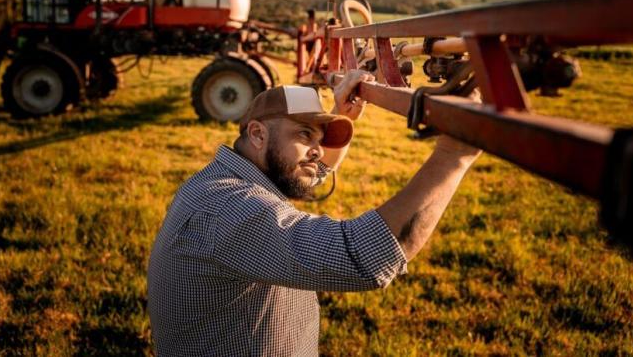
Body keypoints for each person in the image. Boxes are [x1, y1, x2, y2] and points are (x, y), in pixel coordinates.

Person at [147, 70, 481, 356]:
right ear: (258, 134)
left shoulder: (225, 180)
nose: (318, 151)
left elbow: (310, 170)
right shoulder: (231, 211)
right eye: (305, 134)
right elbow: (361, 257)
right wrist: (454, 155)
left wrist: (342, 114)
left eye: (319, 139)